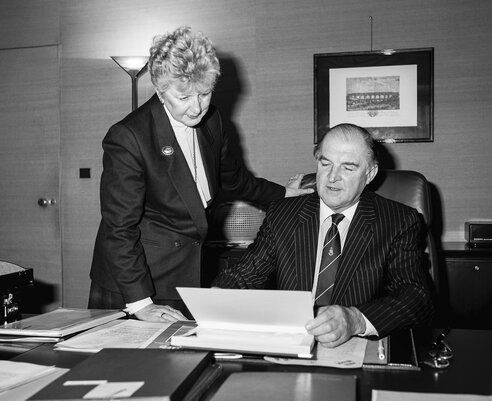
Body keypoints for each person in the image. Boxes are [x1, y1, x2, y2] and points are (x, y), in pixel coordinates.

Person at [88, 26, 311, 322]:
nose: (196, 108)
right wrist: (142, 305)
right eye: (183, 97)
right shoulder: (129, 137)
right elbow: (119, 229)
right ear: (159, 89)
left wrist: (284, 193)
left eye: (204, 94)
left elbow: (234, 180)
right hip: (136, 283)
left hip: (186, 271)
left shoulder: (212, 120)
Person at [213, 123, 434, 347]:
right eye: (325, 163)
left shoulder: (398, 221)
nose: (332, 177)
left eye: (348, 168)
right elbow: (246, 274)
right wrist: (217, 296)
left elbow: (415, 297)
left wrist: (355, 319)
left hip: (357, 346)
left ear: (370, 174)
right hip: (292, 347)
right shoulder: (283, 214)